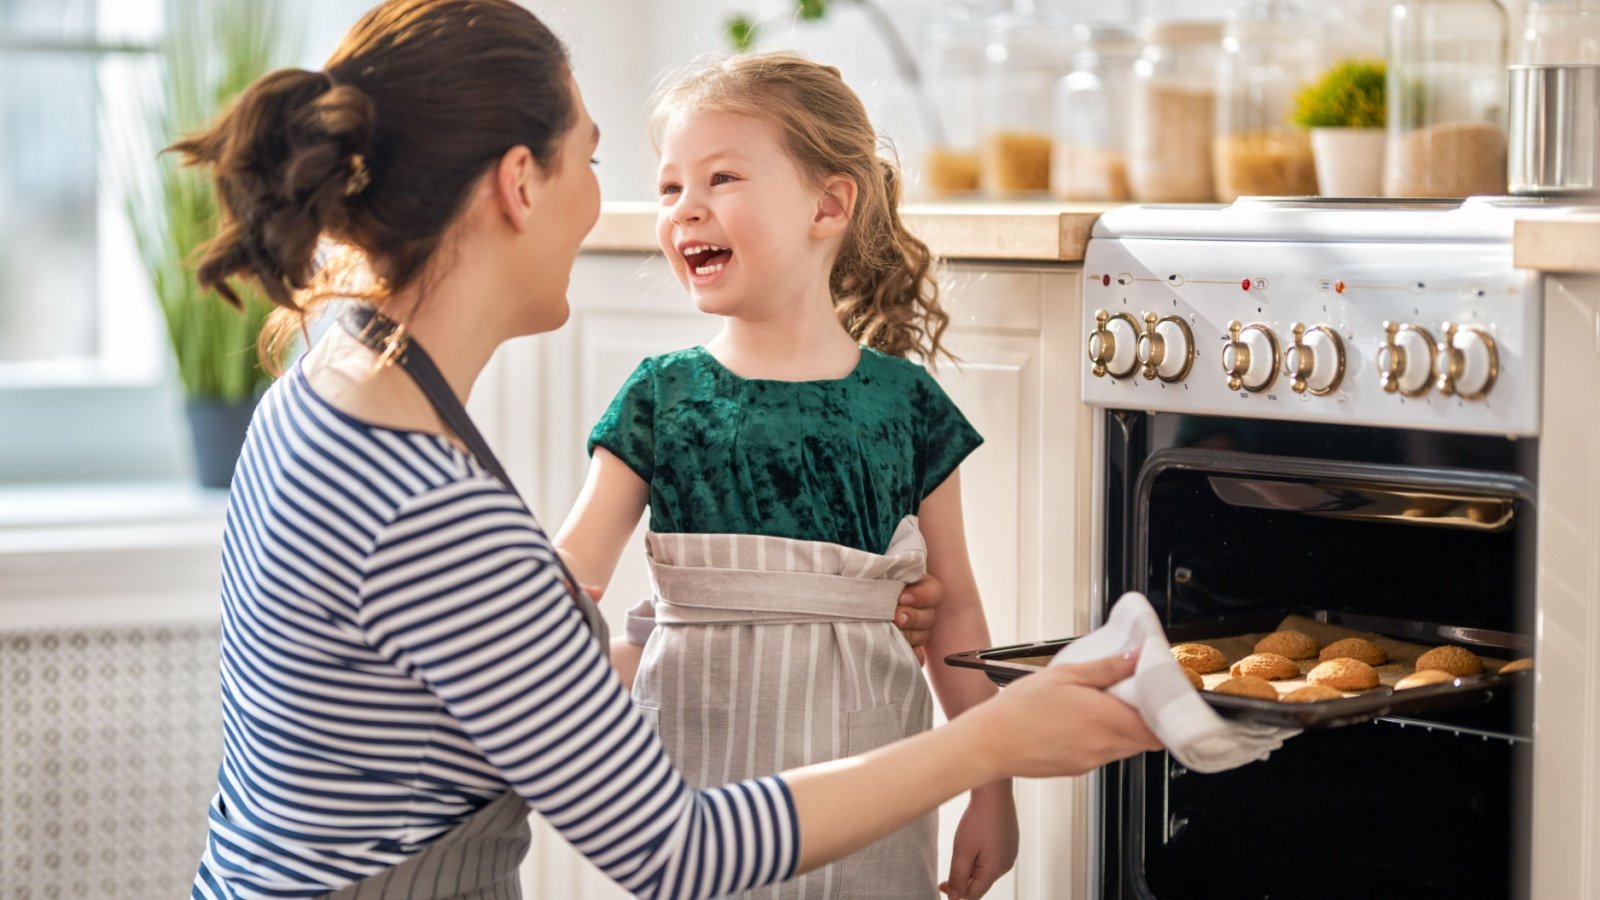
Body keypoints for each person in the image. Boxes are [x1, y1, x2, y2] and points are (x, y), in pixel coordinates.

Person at [177, 2, 1161, 898]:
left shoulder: (324, 388)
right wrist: (997, 739)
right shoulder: (426, 498)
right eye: (601, 164)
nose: (650, 211)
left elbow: (483, 671)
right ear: (522, 183)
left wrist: (776, 624)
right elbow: (675, 851)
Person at [552, 52, 1011, 900]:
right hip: (692, 784)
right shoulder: (660, 396)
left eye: (720, 177)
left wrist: (993, 789)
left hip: (875, 776)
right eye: (669, 188)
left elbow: (958, 612)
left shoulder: (904, 405)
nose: (686, 208)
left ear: (828, 205)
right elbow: (564, 580)